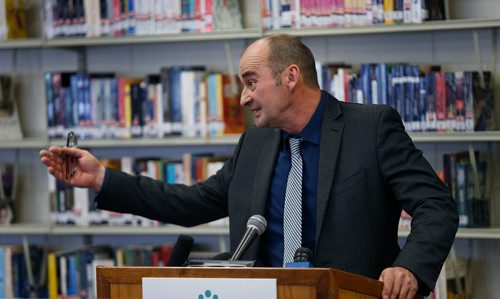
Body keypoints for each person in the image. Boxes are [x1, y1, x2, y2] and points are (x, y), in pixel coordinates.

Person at [40, 34, 458, 298]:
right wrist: (101, 179)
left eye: (251, 81)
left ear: (290, 76)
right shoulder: (256, 142)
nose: (242, 97)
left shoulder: (370, 127)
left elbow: (436, 205)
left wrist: (408, 268)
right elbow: (193, 202)